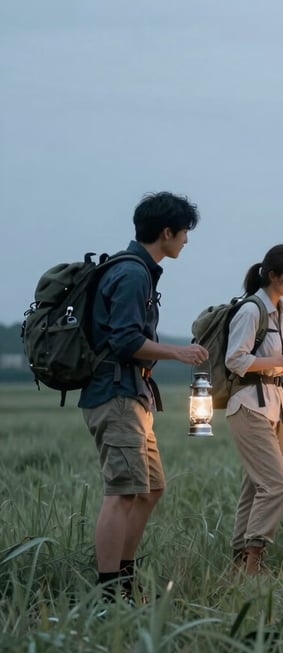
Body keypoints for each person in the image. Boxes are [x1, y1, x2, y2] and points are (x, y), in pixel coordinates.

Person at [79, 192, 209, 602]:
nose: (187, 240)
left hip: (132, 395)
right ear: (167, 232)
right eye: (185, 231)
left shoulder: (140, 271)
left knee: (150, 488)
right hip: (115, 394)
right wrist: (177, 352)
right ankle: (108, 595)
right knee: (122, 493)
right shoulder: (133, 274)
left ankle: (124, 578)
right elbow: (125, 341)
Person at [225, 244, 283, 576]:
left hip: (275, 406)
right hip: (248, 405)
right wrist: (282, 361)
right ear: (273, 275)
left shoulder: (282, 311)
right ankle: (254, 563)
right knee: (277, 485)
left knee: (255, 484)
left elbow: (277, 360)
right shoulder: (251, 311)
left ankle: (238, 559)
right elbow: (235, 360)